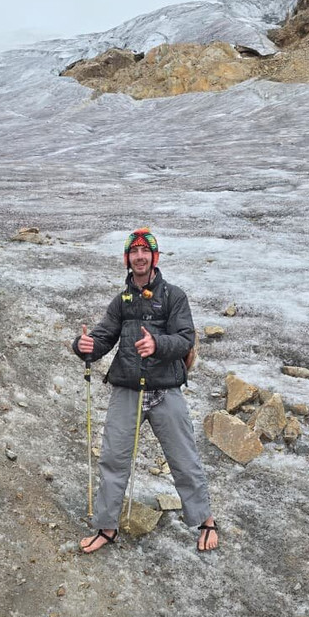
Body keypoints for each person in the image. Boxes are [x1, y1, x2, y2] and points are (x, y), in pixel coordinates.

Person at [72, 228, 216, 554]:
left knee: (184, 458)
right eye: (133, 252)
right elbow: (102, 338)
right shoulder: (121, 301)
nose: (139, 256)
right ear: (127, 260)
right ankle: (106, 528)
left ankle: (204, 520)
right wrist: (84, 346)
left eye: (145, 251)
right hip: (127, 389)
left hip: (165, 389)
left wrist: (158, 343)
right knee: (112, 459)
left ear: (154, 257)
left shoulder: (174, 296)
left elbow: (184, 339)